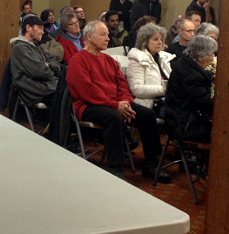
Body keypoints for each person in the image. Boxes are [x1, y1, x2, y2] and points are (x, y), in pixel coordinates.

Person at [67, 21, 170, 182]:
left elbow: (122, 84)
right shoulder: (78, 60)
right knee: (113, 117)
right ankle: (115, 168)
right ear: (89, 37)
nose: (108, 38)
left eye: (108, 35)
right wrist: (116, 105)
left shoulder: (109, 60)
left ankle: (151, 164)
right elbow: (87, 91)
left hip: (116, 104)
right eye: (103, 34)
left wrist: (126, 103)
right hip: (89, 106)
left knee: (147, 114)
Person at [164, 35, 215, 142]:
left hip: (175, 120)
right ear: (200, 56)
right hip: (186, 126)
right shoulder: (193, 78)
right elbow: (207, 106)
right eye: (211, 54)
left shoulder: (182, 63)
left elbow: (197, 72)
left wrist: (211, 75)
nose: (212, 58)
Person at [10, 15, 61, 107]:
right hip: (36, 92)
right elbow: (41, 71)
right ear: (28, 28)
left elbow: (57, 66)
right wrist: (47, 66)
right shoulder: (20, 48)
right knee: (67, 97)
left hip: (48, 87)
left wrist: (47, 64)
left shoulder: (36, 47)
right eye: (39, 28)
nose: (42, 31)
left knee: (72, 92)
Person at [126, 24, 174, 111]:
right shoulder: (137, 60)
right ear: (145, 41)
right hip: (150, 105)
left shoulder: (164, 58)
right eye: (155, 39)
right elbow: (137, 89)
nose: (160, 42)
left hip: (168, 99)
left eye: (161, 39)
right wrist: (166, 88)